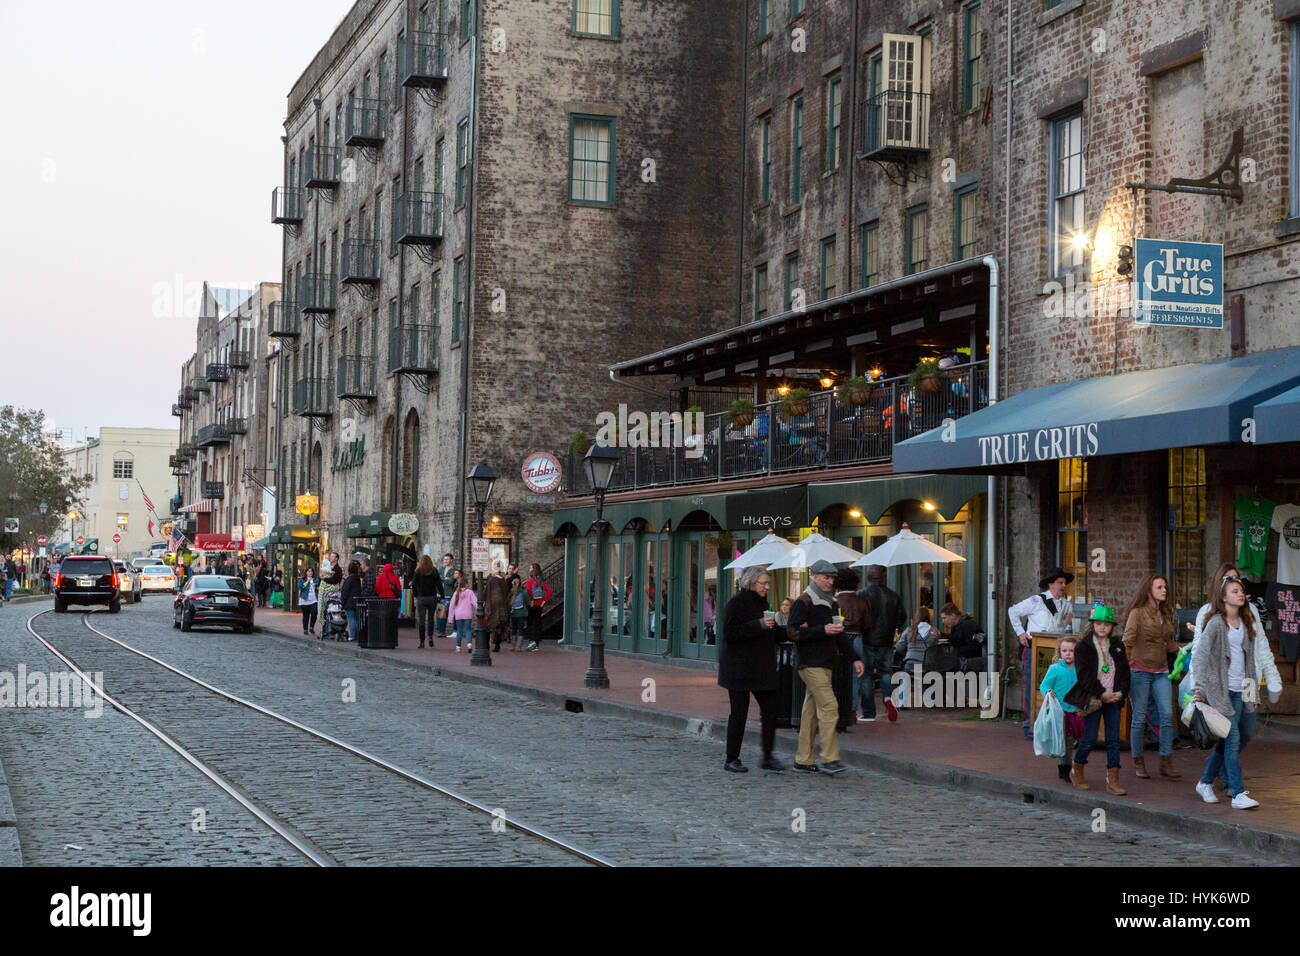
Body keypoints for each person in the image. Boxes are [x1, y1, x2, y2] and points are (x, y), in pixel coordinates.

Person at [1186, 566, 1282, 791]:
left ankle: (1211, 775)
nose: (1236, 585)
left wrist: (1272, 680)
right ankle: (1232, 785)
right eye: (1229, 580)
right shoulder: (1208, 613)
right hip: (1221, 685)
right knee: (1232, 735)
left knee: (1246, 732)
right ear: (1221, 587)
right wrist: (1196, 686)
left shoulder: (1250, 613)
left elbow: (1262, 648)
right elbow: (1200, 651)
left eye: (1237, 580)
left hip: (1248, 683)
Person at [1192, 579, 1268, 809]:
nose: (1240, 594)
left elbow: (1250, 664)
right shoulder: (1216, 623)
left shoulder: (1246, 622)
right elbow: (1201, 656)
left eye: (1242, 591)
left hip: (1242, 689)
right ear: (1224, 598)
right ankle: (1237, 793)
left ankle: (1205, 781)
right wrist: (1200, 688)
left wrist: (1252, 695)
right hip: (1220, 693)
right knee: (1232, 739)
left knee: (1236, 738)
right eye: (1235, 591)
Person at [787, 560, 863, 774]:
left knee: (810, 713)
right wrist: (822, 630)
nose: (830, 581)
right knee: (829, 706)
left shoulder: (832, 603)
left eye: (832, 578)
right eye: (825, 577)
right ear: (814, 576)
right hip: (809, 663)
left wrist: (854, 657)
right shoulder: (803, 601)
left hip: (826, 662)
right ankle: (829, 759)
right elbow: (792, 632)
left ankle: (803, 760)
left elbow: (837, 633)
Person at [718, 566, 784, 773]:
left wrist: (791, 629)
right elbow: (729, 633)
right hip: (738, 667)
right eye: (763, 583)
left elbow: (770, 633)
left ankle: (767, 756)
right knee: (739, 712)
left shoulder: (763, 602)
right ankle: (731, 758)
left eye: (767, 583)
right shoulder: (736, 603)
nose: (767, 586)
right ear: (751, 582)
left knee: (771, 708)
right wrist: (759, 625)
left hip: (761, 667)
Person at [1121, 573, 1183, 780]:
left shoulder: (1164, 613)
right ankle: (1138, 761)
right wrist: (1123, 668)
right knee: (1139, 718)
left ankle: (1166, 760)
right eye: (1159, 587)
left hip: (1162, 670)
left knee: (1167, 715)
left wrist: (1183, 648)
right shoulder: (1137, 614)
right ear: (1148, 590)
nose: (1164, 590)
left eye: (1165, 587)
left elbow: (1165, 643)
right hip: (1139, 670)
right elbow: (1127, 641)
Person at [1064, 605, 1129, 795]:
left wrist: (1122, 692)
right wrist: (1101, 693)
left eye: (1106, 624)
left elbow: (1125, 673)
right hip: (1094, 697)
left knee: (1113, 739)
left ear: (1112, 627)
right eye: (1098, 623)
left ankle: (1113, 778)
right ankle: (1077, 768)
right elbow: (1084, 676)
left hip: (1114, 698)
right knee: (1090, 737)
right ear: (1092, 625)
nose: (1102, 627)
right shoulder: (1084, 646)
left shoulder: (1117, 645)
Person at [1009, 567, 1075, 738]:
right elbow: (1013, 611)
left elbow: (1062, 630)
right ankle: (1030, 724)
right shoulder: (1037, 601)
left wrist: (1068, 624)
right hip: (1034, 649)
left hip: (1055, 651)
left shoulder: (1064, 604)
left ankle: (1051, 724)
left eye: (1064, 583)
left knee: (1054, 687)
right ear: (1050, 584)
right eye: (1060, 582)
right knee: (1034, 686)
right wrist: (1021, 633)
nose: (1063, 586)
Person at [857, 564, 906, 722]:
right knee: (886, 673)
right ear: (884, 576)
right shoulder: (893, 596)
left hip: (866, 640)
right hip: (886, 641)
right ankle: (888, 698)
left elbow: (857, 618)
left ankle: (869, 712)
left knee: (866, 676)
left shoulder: (861, 595)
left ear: (868, 577)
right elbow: (901, 618)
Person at [1039, 635, 1081, 781]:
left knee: (1075, 740)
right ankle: (1064, 768)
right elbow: (1044, 685)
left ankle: (1072, 767)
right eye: (1065, 650)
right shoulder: (1054, 669)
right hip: (1060, 711)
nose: (1068, 653)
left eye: (1072, 650)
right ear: (1060, 652)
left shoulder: (1080, 669)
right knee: (1066, 741)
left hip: (1077, 710)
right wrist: (1048, 692)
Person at [833, 568, 870, 727]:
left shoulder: (834, 602)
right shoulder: (861, 601)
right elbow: (867, 624)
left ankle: (837, 710)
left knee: (835, 676)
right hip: (857, 638)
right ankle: (852, 711)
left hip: (839, 639)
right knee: (855, 677)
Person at [411, 555, 445, 648]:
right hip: (432, 598)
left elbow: (414, 584)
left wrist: (415, 595)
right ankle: (430, 637)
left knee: (421, 620)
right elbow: (439, 584)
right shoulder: (434, 570)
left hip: (421, 598)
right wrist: (442, 595)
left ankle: (422, 642)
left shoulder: (417, 571)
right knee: (430, 619)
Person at [894, 607, 937, 676]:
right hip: (925, 666)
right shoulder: (934, 632)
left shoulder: (909, 630)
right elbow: (934, 651)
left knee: (905, 683)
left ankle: (904, 686)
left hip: (910, 663)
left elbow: (899, 648)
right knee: (924, 683)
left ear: (916, 617)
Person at [940, 603, 984, 667]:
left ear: (952, 615)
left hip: (971, 664)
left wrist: (954, 651)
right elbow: (955, 639)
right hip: (962, 662)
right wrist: (940, 635)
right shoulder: (955, 626)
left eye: (944, 618)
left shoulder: (968, 625)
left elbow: (974, 647)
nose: (943, 621)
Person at [523, 563, 552, 651]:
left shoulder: (529, 582)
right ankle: (536, 644)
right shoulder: (540, 582)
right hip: (540, 605)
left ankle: (531, 642)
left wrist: (531, 599)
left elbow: (528, 590)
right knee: (537, 624)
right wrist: (544, 601)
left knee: (530, 624)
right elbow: (549, 590)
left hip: (532, 605)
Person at [484, 562, 511, 652]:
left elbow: (486, 592)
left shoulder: (491, 580)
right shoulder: (503, 581)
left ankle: (487, 646)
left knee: (488, 625)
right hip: (501, 606)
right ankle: (497, 645)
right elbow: (506, 593)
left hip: (492, 605)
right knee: (499, 626)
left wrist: (484, 601)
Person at [447, 573, 477, 652]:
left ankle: (458, 647)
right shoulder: (470, 592)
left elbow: (451, 606)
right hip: (468, 614)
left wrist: (450, 618)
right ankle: (469, 645)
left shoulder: (456, 593)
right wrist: (480, 609)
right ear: (466, 584)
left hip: (458, 615)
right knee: (467, 630)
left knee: (459, 631)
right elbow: (475, 602)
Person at [340, 560, 363, 642]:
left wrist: (342, 602)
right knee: (354, 619)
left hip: (349, 602)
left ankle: (352, 635)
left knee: (351, 619)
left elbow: (345, 592)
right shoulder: (357, 579)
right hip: (356, 601)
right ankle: (356, 634)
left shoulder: (349, 579)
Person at [436, 552, 455, 639]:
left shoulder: (453, 571)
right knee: (438, 612)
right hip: (439, 594)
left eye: (447, 559)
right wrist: (445, 579)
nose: (445, 561)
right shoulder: (441, 569)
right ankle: (439, 630)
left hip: (447, 595)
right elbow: (437, 579)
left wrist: (442, 579)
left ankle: (442, 631)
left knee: (444, 613)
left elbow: (450, 582)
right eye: (445, 559)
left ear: (451, 560)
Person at [508, 577, 530, 650]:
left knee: (513, 629)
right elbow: (528, 602)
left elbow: (508, 603)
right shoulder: (524, 592)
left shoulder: (511, 592)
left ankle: (512, 646)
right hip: (522, 613)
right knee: (521, 629)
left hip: (513, 613)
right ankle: (519, 647)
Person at [298, 566, 320, 636]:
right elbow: (300, 587)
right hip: (304, 600)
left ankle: (311, 627)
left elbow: (318, 587)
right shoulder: (302, 580)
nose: (310, 572)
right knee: (306, 615)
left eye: (311, 571)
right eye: (308, 571)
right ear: (306, 572)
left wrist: (313, 582)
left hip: (314, 600)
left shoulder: (316, 580)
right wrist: (307, 581)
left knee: (314, 613)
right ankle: (305, 629)